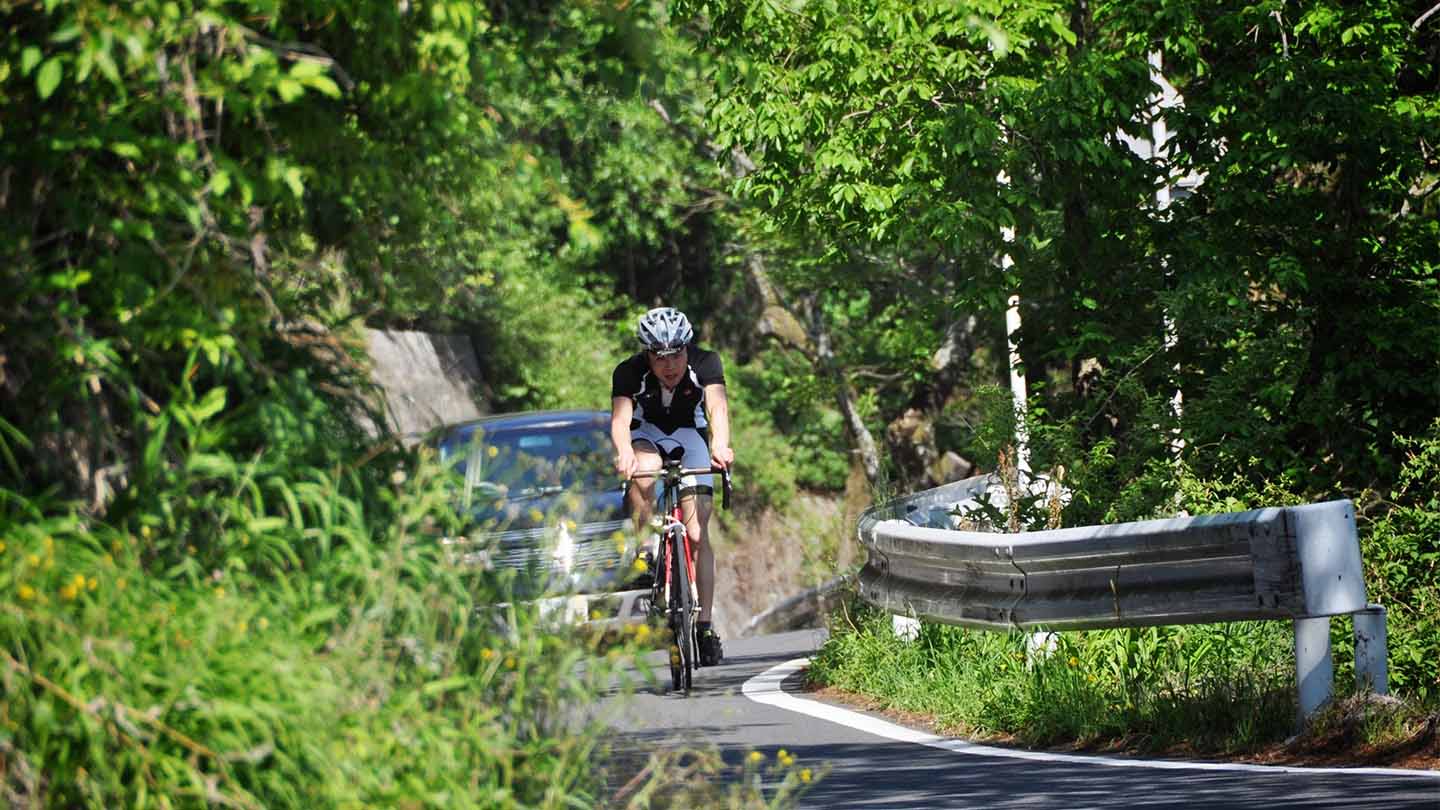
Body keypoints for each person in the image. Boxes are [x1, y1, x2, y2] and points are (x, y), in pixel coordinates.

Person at [610, 306, 734, 666]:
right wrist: (623, 453)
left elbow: (718, 409)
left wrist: (721, 445)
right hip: (645, 435)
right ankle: (645, 548)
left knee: (697, 533)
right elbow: (620, 421)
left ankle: (705, 626)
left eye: (677, 354)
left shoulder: (706, 363)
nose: (670, 365)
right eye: (660, 357)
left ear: (687, 349)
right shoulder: (628, 372)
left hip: (689, 437)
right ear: (647, 354)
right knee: (644, 469)